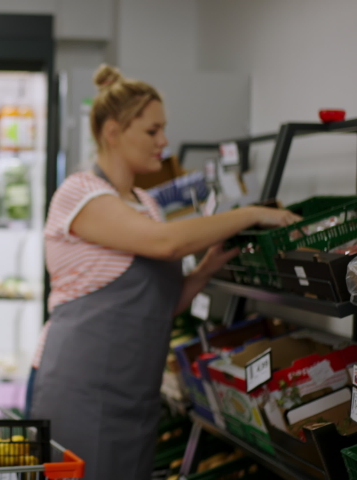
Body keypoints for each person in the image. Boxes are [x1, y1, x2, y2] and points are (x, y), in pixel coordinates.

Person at [29, 65, 301, 480]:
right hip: (81, 387)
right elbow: (166, 243)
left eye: (163, 130)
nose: (164, 142)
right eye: (153, 131)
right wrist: (250, 212)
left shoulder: (145, 203)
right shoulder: (80, 193)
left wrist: (206, 269)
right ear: (113, 131)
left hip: (137, 391)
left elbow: (159, 305)